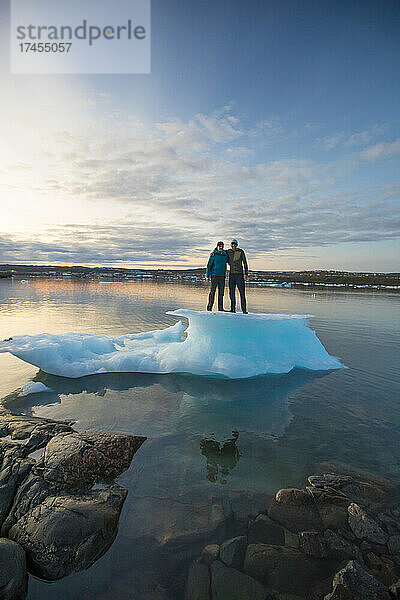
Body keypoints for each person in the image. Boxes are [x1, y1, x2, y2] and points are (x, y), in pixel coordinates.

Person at [226, 239, 248, 313]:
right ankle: (233, 309)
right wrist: (213, 252)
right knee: (231, 293)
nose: (233, 245)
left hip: (239, 275)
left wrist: (246, 273)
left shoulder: (240, 251)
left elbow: (245, 262)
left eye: (235, 244)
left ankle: (244, 310)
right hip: (232, 275)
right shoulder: (228, 252)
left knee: (242, 293)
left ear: (237, 245)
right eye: (232, 244)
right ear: (231, 245)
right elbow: (220, 251)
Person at [206, 241, 228, 311]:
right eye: (219, 246)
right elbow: (209, 265)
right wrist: (207, 275)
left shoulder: (225, 255)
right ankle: (209, 307)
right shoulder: (213, 255)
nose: (221, 247)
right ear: (217, 247)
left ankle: (220, 308)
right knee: (212, 292)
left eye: (222, 246)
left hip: (222, 276)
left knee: (221, 293)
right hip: (214, 276)